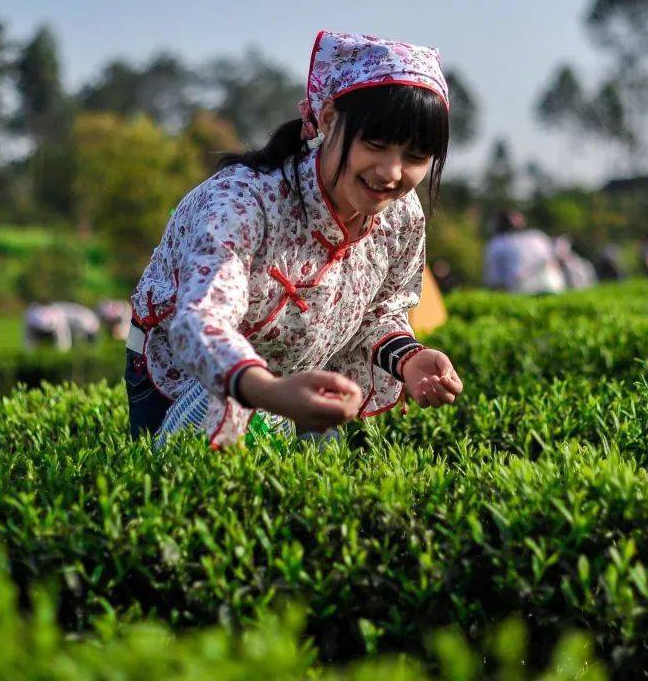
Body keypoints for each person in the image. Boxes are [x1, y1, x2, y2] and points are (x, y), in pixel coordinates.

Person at [125, 30, 464, 448]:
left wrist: (408, 358)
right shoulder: (241, 203)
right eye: (376, 144)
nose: (392, 173)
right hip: (188, 374)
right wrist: (269, 393)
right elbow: (201, 322)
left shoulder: (402, 215)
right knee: (187, 486)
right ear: (328, 120)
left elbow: (381, 310)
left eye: (415, 157)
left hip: (295, 380)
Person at [482, 210, 566, 294]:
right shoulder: (537, 236)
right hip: (553, 286)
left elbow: (493, 279)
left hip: (520, 290)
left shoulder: (497, 243)